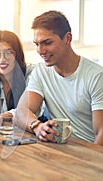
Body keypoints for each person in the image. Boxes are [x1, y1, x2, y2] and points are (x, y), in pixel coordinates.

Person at [15, 10, 103, 145]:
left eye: (47, 43)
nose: (40, 50)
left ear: (68, 38)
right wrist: (37, 126)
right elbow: (22, 111)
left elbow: (101, 133)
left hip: (89, 152)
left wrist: (90, 163)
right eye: (37, 44)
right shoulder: (41, 72)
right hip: (58, 149)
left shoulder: (96, 76)